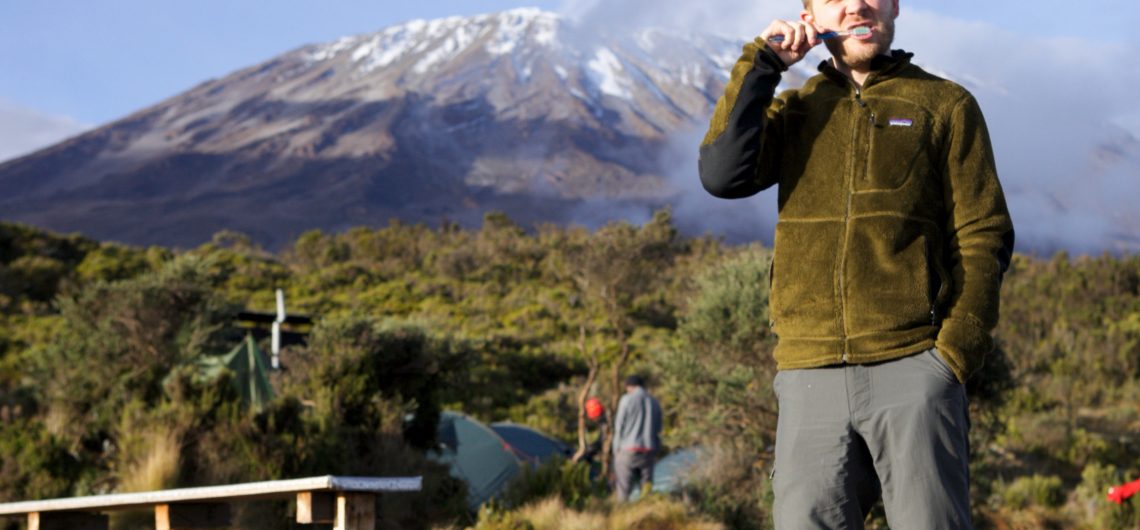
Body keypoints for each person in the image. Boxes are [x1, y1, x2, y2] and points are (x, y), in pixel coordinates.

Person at [698, 0, 1015, 528]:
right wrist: (762, 65)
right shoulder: (796, 109)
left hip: (915, 367)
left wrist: (952, 357)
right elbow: (722, 175)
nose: (856, 6)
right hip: (808, 374)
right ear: (810, 13)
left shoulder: (946, 104)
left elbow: (984, 235)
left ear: (893, 6)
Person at [611, 374, 663, 501]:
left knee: (624, 490)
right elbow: (658, 429)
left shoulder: (626, 400)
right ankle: (646, 513)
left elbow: (619, 427)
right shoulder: (655, 402)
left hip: (628, 450)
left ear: (629, 387)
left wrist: (615, 450)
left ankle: (622, 516)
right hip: (648, 450)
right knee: (646, 488)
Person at [572, 396, 608, 464]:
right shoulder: (603, 420)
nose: (594, 421)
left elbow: (602, 440)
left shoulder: (605, 423)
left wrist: (590, 451)